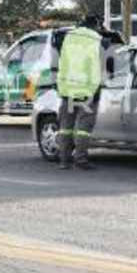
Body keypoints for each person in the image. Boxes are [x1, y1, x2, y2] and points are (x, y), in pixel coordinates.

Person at [56, 15, 104, 170]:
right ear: (96, 25)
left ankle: (64, 161)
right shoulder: (96, 39)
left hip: (67, 89)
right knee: (83, 128)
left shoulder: (69, 36)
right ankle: (81, 161)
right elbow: (102, 65)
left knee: (65, 127)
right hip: (87, 91)